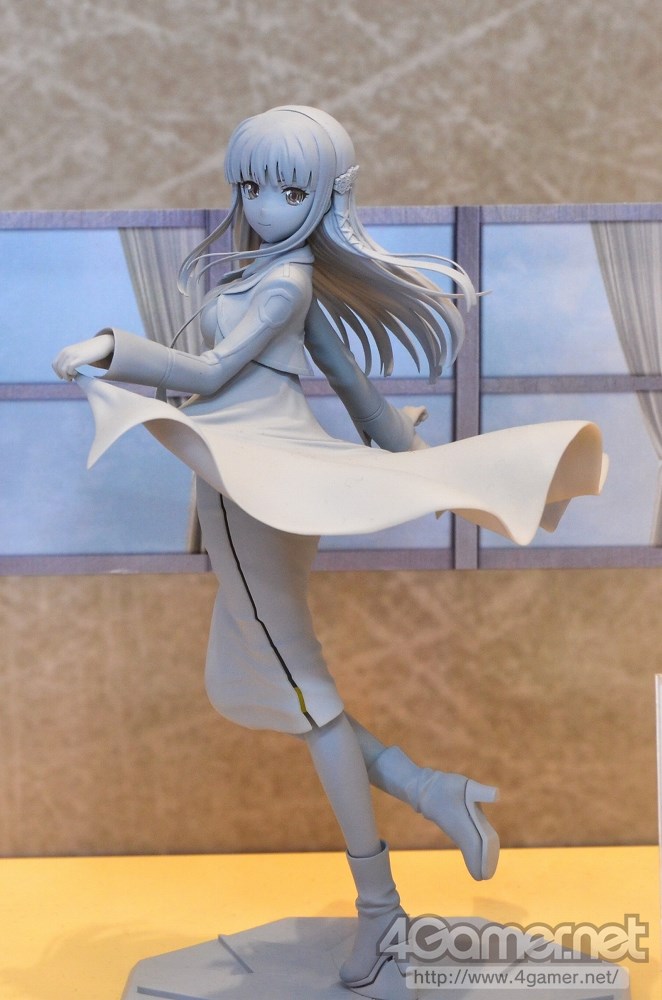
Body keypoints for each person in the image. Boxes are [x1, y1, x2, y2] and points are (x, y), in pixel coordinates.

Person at [53, 106, 605, 1000]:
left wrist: (111, 349)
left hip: (260, 486)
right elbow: (349, 380)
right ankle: (429, 791)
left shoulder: (282, 284)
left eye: (288, 188)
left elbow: (208, 376)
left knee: (305, 696)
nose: (264, 204)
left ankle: (381, 903)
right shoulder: (276, 273)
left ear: (326, 197)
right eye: (250, 184)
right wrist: (408, 456)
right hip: (250, 483)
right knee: (260, 681)